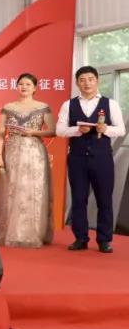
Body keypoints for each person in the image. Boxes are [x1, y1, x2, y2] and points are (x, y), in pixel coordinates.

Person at [0, 73, 55, 248]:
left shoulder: (43, 107)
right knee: (12, 190)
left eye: (28, 84)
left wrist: (33, 132)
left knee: (34, 191)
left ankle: (33, 233)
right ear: (16, 86)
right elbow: (0, 134)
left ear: (35, 88)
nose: (24, 87)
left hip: (35, 152)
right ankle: (13, 231)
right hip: (12, 151)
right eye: (21, 84)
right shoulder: (8, 107)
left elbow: (52, 131)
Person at [56, 66, 124, 253]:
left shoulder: (110, 104)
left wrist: (106, 129)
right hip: (77, 159)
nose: (87, 83)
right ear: (77, 83)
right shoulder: (68, 105)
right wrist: (77, 130)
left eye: (90, 79)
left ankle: (104, 240)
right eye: (82, 80)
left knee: (104, 199)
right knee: (79, 199)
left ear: (97, 81)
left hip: (102, 158)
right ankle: (80, 238)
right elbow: (59, 130)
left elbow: (121, 129)